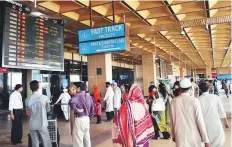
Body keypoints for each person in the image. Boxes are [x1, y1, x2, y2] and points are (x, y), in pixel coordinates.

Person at [170, 78, 210, 147]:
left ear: (180, 88)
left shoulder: (174, 101)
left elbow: (172, 120)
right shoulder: (194, 101)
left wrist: (173, 135)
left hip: (180, 137)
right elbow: (200, 121)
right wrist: (206, 140)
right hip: (194, 137)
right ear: (190, 88)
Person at [199, 82, 230, 147]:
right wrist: (226, 122)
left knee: (207, 143)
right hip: (215, 124)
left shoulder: (198, 100)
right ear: (209, 88)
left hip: (204, 126)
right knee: (219, 143)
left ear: (200, 89)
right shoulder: (215, 97)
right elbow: (221, 111)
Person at [25, 80, 52, 147]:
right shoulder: (44, 97)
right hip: (42, 123)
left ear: (30, 88)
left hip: (32, 124)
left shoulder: (27, 99)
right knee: (46, 142)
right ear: (38, 87)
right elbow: (48, 110)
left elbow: (28, 112)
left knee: (35, 143)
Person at [69, 82, 94, 147]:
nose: (74, 89)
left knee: (78, 140)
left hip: (79, 120)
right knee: (87, 139)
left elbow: (71, 102)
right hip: (87, 119)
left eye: (75, 87)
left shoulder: (77, 95)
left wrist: (77, 109)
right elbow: (92, 109)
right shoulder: (88, 95)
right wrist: (89, 118)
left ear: (79, 88)